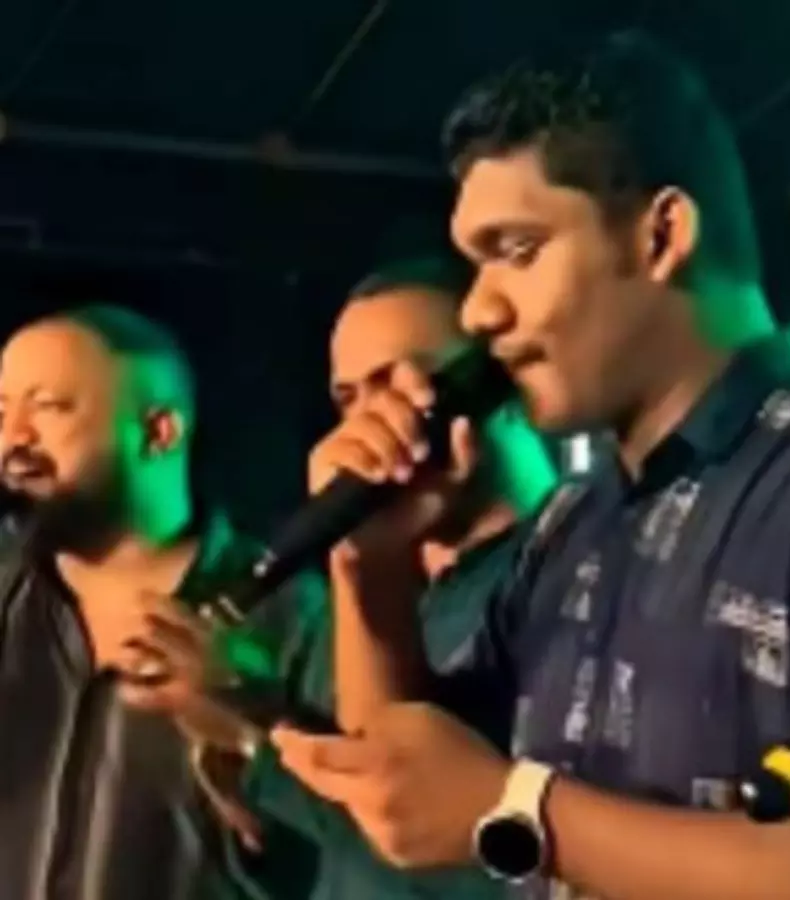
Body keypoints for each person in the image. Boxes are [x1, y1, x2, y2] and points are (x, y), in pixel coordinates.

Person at [272, 30, 790, 900]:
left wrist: (525, 810)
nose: (477, 311)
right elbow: (409, 791)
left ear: (662, 234)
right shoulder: (574, 520)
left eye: (517, 250)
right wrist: (372, 569)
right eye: (476, 265)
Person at [162, 260, 559, 900]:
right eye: (348, 398)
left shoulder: (574, 578)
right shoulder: (354, 595)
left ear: (493, 382)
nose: (369, 420)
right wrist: (239, 781)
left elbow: (454, 855)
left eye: (398, 382)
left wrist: (257, 736)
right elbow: (321, 863)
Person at [0, 305, 315, 900]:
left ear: (159, 432)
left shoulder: (295, 616)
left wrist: (251, 739)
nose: (13, 438)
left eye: (50, 407)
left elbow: (350, 858)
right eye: (1, 412)